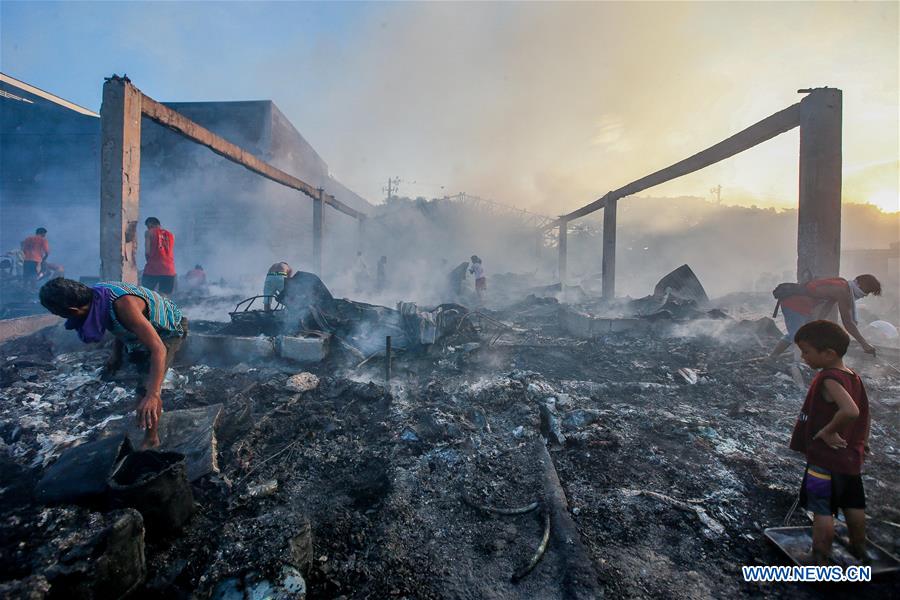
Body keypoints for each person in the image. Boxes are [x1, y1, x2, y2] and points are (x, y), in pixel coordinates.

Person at [39, 278, 188, 442]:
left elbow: (158, 349)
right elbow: (118, 325)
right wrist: (115, 355)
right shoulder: (96, 297)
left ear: (74, 311)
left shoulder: (123, 306)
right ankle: (145, 414)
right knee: (140, 373)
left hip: (167, 329)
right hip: (142, 330)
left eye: (58, 313)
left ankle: (151, 439)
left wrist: (152, 394)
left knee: (147, 388)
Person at [788, 320, 870, 565]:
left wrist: (827, 430)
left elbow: (851, 411)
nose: (803, 357)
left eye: (806, 351)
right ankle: (860, 549)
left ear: (829, 354)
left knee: (822, 509)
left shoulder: (830, 379)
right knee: (853, 504)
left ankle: (819, 556)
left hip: (825, 459)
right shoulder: (852, 376)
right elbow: (865, 412)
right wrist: (863, 441)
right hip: (849, 458)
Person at [769, 274, 882, 360]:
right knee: (799, 337)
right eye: (867, 291)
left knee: (798, 333)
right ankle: (798, 365)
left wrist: (817, 323)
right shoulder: (843, 292)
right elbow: (848, 322)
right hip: (794, 304)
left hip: (804, 306)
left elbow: (828, 304)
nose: (866, 295)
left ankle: (773, 356)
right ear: (860, 284)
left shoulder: (842, 284)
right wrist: (864, 344)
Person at [142, 217, 176, 295]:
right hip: (169, 270)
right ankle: (162, 307)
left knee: (146, 294)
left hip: (153, 268)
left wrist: (149, 262)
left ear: (150, 224)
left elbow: (147, 251)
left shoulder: (148, 233)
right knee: (164, 296)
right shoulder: (172, 235)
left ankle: (149, 307)